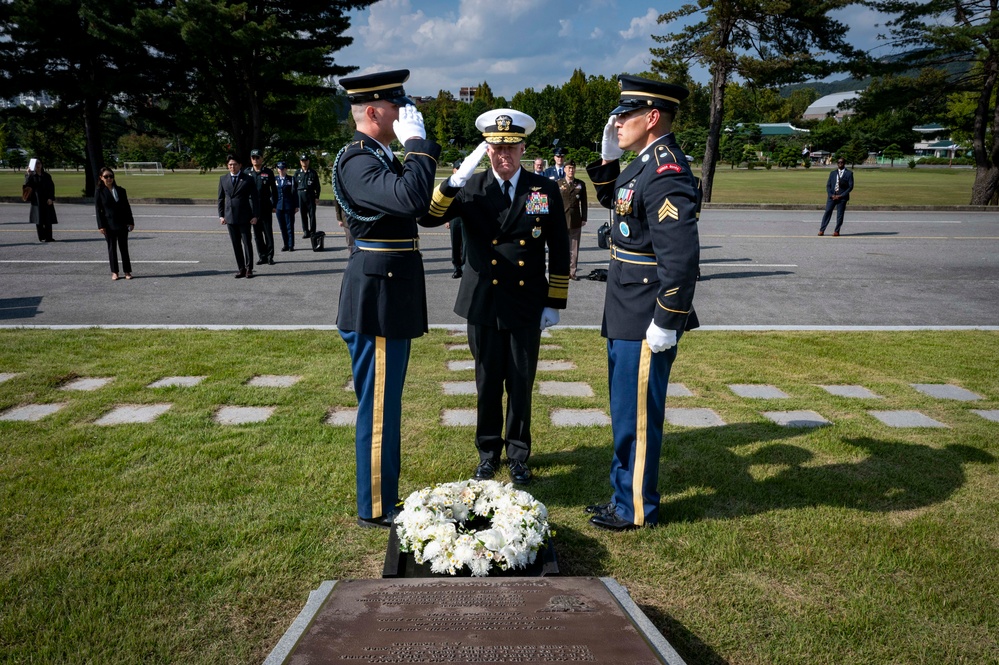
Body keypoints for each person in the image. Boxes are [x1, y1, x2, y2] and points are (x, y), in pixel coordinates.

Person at [422, 109, 570, 486]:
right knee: (487, 382)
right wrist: (453, 179)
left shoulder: (543, 189)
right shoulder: (470, 187)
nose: (505, 156)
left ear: (523, 148)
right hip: (483, 301)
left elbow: (558, 244)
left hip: (525, 300)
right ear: (486, 151)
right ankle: (488, 453)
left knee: (520, 382)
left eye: (512, 148)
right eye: (496, 148)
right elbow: (428, 216)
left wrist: (554, 301)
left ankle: (518, 454)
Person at [584, 74, 700, 531]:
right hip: (626, 305)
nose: (617, 122)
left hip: (646, 312)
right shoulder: (644, 162)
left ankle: (635, 508)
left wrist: (667, 320)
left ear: (652, 118)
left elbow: (681, 257)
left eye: (625, 114)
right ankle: (622, 496)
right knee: (624, 411)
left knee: (637, 416)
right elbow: (620, 202)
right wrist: (608, 161)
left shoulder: (667, 169)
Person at [333, 69, 441, 528]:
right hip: (377, 294)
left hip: (389, 288)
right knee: (378, 407)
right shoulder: (359, 160)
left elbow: (418, 206)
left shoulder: (376, 155)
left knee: (387, 403)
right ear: (374, 111)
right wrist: (417, 146)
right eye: (397, 108)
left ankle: (384, 495)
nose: (404, 115)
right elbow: (410, 197)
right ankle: (376, 506)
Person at [217, 153, 260, 278]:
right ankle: (240, 268)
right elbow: (221, 199)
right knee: (236, 244)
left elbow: (255, 199)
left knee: (247, 243)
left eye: (235, 164)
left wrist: (255, 215)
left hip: (245, 216)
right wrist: (221, 215)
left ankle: (249, 268)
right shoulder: (223, 179)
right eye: (230, 165)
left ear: (240, 165)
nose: (232, 167)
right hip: (229, 217)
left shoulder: (248, 179)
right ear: (227, 166)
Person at [94, 168, 135, 281]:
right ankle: (115, 272)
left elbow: (127, 207)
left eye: (111, 176)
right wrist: (101, 225)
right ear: (101, 178)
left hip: (122, 224)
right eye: (106, 176)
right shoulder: (99, 192)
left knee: (124, 248)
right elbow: (98, 210)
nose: (109, 179)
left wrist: (131, 222)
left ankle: (127, 271)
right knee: (112, 249)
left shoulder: (121, 190)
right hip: (108, 225)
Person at [246, 149, 277, 265]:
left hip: (265, 206)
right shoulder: (247, 172)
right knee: (257, 234)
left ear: (262, 158)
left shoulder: (268, 172)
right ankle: (262, 255)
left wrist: (274, 205)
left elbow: (274, 190)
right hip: (253, 208)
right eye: (253, 158)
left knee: (268, 232)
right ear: (251, 159)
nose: (255, 159)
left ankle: (270, 256)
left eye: (257, 157)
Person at [558, 160, 587, 280]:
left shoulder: (580, 184)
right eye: (569, 168)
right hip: (562, 220)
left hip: (575, 219)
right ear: (564, 169)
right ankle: (563, 271)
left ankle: (572, 272)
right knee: (562, 248)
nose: (571, 170)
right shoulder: (558, 184)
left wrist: (584, 218)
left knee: (574, 249)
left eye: (573, 168)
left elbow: (584, 203)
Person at [818, 157, 854, 236]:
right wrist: (831, 195)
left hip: (842, 198)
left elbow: (850, 187)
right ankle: (822, 230)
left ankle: (837, 231)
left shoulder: (849, 173)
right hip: (832, 197)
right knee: (827, 212)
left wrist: (841, 195)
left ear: (844, 163)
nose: (840, 164)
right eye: (838, 162)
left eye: (841, 162)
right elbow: (828, 185)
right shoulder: (833, 173)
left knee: (840, 215)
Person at [23, 159, 57, 242]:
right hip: (37, 200)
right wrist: (29, 174)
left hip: (46, 199)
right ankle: (41, 236)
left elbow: (51, 187)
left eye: (39, 163)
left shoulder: (46, 175)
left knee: (48, 219)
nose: (38, 165)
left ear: (41, 164)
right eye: (36, 164)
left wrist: (51, 198)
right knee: (39, 219)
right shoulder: (31, 176)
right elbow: (27, 187)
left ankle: (49, 237)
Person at [446, 160, 465, 278]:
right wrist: (446, 219)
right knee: (456, 243)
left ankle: (465, 267)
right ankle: (457, 267)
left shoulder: (469, 182)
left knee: (467, 244)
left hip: (467, 216)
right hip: (454, 217)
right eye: (457, 168)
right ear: (454, 169)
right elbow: (445, 203)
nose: (459, 170)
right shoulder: (449, 183)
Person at [274, 161, 298, 251]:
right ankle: (285, 244)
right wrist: (273, 205)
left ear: (286, 169)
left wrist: (296, 205)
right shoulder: (275, 179)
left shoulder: (291, 179)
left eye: (283, 169)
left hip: (289, 205)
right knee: (282, 226)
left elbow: (295, 193)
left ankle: (291, 245)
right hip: (279, 206)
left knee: (289, 226)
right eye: (279, 169)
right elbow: (273, 194)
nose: (281, 170)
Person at [295, 154, 321, 239]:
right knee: (303, 214)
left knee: (312, 214)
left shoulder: (313, 172)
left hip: (310, 195)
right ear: (300, 162)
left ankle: (312, 231)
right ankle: (306, 231)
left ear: (308, 161)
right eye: (302, 161)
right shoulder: (297, 173)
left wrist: (317, 197)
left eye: (306, 160)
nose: (304, 162)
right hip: (300, 195)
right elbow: (294, 187)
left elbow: (317, 186)